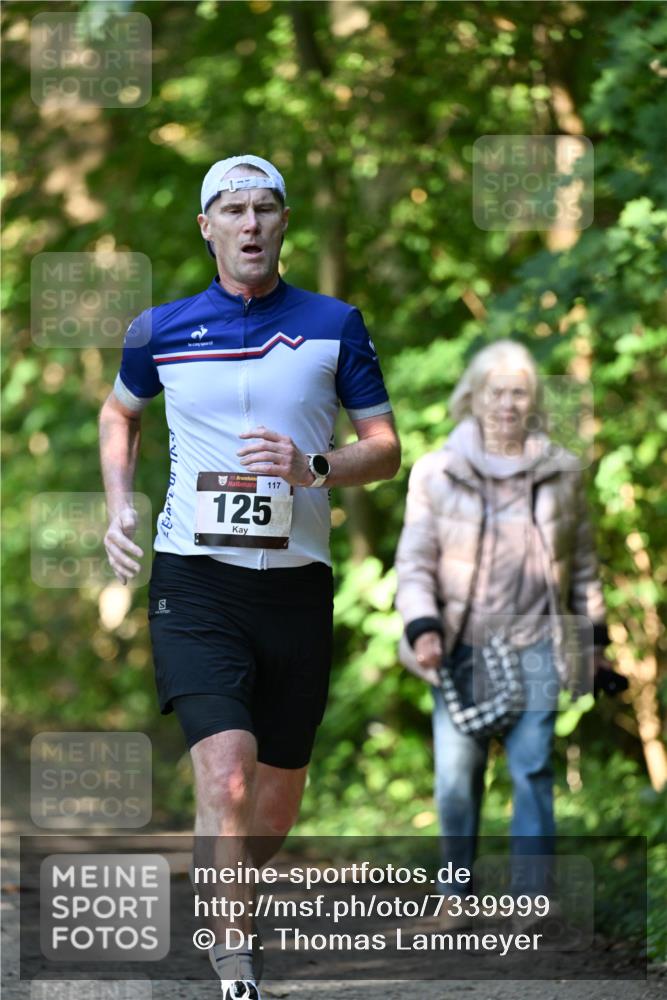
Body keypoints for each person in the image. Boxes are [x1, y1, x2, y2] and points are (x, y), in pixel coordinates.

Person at [100, 154, 400, 998]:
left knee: (272, 803)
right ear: (208, 227)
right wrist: (118, 504)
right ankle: (232, 960)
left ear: (283, 223)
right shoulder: (158, 329)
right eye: (233, 209)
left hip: (296, 584)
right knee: (226, 771)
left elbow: (383, 448)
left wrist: (313, 466)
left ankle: (235, 890)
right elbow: (118, 412)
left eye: (265, 208)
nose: (251, 224)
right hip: (194, 579)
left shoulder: (335, 323)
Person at [394, 339, 609, 925]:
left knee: (533, 766)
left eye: (520, 392)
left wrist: (595, 642)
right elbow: (414, 564)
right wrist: (423, 628)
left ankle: (530, 900)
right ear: (475, 397)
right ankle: (455, 898)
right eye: (497, 392)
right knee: (456, 779)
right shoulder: (438, 471)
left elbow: (585, 564)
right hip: (461, 644)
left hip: (538, 640)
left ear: (533, 401)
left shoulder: (562, 472)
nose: (508, 404)